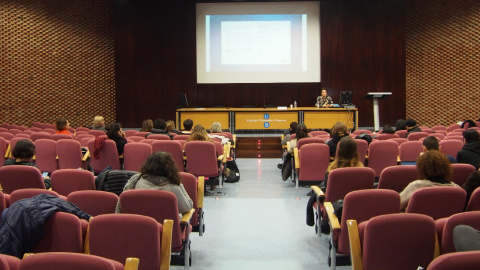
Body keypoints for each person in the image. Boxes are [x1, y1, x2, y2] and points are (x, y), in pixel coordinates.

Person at [307, 136, 363, 227]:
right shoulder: (365, 172)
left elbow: (327, 187)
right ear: (355, 151)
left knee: (317, 192)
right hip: (357, 207)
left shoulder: (332, 171)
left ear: (338, 151)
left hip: (334, 208)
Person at [116, 151, 193, 214]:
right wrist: (179, 183)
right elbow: (187, 207)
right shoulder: (173, 187)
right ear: (171, 168)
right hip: (167, 230)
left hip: (140, 228)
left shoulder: (137, 182)